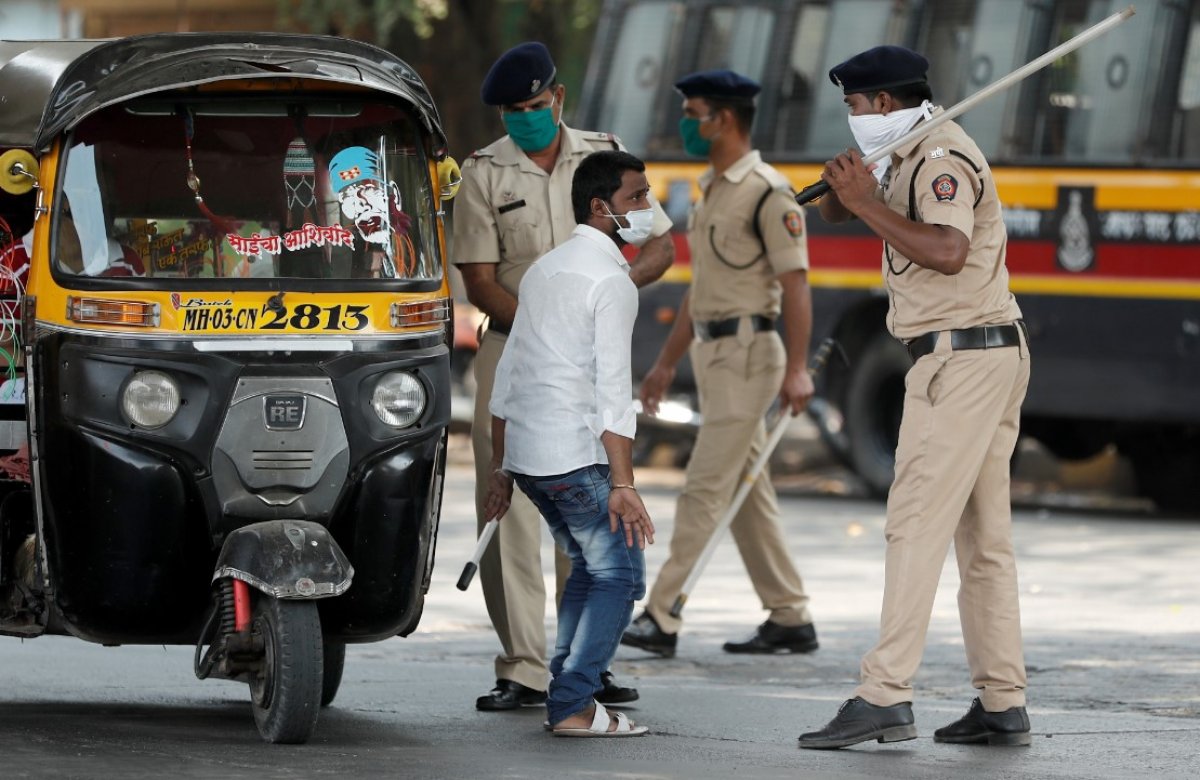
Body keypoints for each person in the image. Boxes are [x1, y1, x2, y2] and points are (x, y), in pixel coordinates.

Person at [797, 45, 1032, 750]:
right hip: (982, 354)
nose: (852, 117)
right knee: (981, 540)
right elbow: (850, 217)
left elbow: (947, 250)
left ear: (886, 104)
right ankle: (1003, 699)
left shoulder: (939, 160)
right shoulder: (904, 154)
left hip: (959, 360)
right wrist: (850, 194)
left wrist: (867, 202)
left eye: (855, 106)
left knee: (914, 524)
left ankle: (884, 693)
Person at [454, 41, 674, 711]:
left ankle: (585, 661)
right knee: (514, 500)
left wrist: (608, 290)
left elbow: (660, 244)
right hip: (513, 343)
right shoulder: (484, 172)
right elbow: (478, 280)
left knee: (590, 496)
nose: (523, 118)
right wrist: (551, 323)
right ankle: (522, 667)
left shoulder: (604, 156)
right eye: (511, 111)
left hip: (589, 347)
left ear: (558, 98)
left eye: (532, 106)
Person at [620, 69, 817, 659]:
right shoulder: (717, 190)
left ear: (723, 119)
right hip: (714, 356)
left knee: (704, 487)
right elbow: (701, 291)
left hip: (750, 356)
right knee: (746, 494)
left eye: (693, 112)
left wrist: (799, 367)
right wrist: (663, 365)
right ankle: (789, 616)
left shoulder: (767, 192)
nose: (686, 123)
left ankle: (662, 614)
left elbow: (797, 285)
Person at [483, 149, 656, 737]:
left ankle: (565, 682)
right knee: (620, 577)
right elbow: (613, 392)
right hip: (573, 455)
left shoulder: (545, 270)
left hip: (531, 457)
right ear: (600, 207)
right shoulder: (611, 281)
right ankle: (575, 705)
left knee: (590, 565)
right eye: (637, 197)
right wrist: (624, 484)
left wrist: (501, 469)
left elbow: (507, 374)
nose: (648, 208)